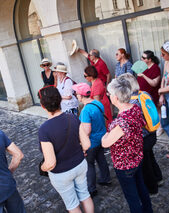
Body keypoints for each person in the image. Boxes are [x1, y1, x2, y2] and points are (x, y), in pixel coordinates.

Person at [38, 85, 94, 213]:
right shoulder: (72, 117)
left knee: (72, 205)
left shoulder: (44, 130)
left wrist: (42, 168)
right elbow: (86, 145)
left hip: (61, 173)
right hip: (80, 165)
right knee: (85, 195)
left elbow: (50, 163)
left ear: (43, 106)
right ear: (60, 101)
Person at [101, 78, 153, 213]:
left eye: (109, 93)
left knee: (132, 198)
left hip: (125, 164)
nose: (108, 95)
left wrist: (105, 135)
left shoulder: (122, 122)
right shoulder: (134, 108)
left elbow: (105, 143)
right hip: (137, 157)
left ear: (116, 97)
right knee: (141, 188)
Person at [119, 73, 163, 195]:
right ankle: (158, 177)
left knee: (145, 165)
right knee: (150, 157)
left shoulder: (132, 103)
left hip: (143, 138)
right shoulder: (144, 94)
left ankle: (152, 188)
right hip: (151, 133)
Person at [73, 83, 111, 197]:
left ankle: (91, 188)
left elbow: (87, 130)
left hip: (92, 142)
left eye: (77, 94)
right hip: (102, 138)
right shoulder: (98, 103)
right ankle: (106, 179)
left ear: (81, 95)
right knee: (101, 159)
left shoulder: (85, 111)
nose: (76, 95)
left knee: (89, 164)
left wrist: (81, 143)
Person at [137, 50, 162, 136]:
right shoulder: (142, 66)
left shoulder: (155, 68)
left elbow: (154, 83)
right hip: (142, 93)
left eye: (144, 58)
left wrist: (143, 76)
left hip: (152, 93)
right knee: (144, 110)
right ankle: (148, 126)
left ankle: (159, 127)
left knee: (155, 110)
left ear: (149, 59)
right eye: (142, 57)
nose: (141, 59)